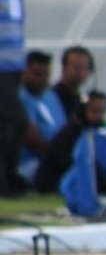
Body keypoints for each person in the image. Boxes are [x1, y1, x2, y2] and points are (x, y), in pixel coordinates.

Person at [0, 0, 83, 196]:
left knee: (6, 124)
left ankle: (7, 181)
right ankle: (8, 177)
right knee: (18, 121)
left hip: (13, 68)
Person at [33, 89, 106, 194]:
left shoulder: (93, 131)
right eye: (94, 111)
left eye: (102, 112)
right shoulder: (72, 132)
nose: (99, 117)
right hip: (53, 182)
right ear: (83, 110)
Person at [17, 50, 63, 185]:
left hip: (54, 158)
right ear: (24, 72)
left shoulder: (50, 96)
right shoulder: (20, 97)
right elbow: (32, 139)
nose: (42, 79)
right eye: (37, 74)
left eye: (46, 74)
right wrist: (59, 158)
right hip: (30, 163)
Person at [50, 45, 94, 125]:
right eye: (76, 67)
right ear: (64, 68)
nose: (81, 72)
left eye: (85, 67)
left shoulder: (82, 98)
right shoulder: (52, 97)